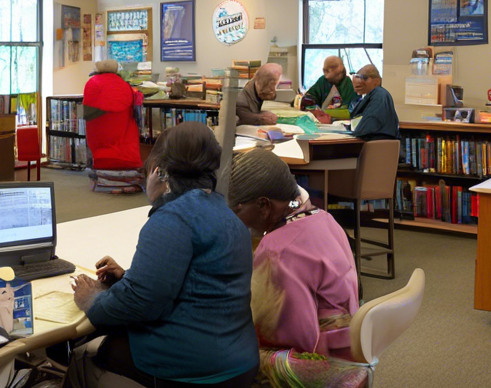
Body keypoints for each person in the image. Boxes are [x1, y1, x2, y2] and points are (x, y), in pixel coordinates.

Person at [67, 123, 260, 388]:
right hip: (238, 362)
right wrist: (127, 277)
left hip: (194, 369)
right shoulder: (227, 215)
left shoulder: (172, 219)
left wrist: (92, 300)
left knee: (84, 354)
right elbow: (198, 282)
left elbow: (141, 304)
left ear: (159, 172)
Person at [228, 148, 358, 359]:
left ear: (263, 205)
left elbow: (289, 337)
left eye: (236, 210)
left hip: (320, 365)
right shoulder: (324, 218)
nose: (233, 218)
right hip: (350, 349)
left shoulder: (276, 250)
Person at [84, 59, 143, 171]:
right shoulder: (125, 85)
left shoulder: (92, 83)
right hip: (123, 134)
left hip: (100, 129)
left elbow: (88, 112)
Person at [349, 64, 399, 141]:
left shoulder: (380, 94)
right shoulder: (368, 97)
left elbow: (367, 128)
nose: (359, 82)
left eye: (365, 78)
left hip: (375, 145)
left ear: (377, 81)